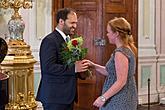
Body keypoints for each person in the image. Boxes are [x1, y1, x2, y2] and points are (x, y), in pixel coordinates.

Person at [36, 8, 89, 110]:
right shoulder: (50, 40)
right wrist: (74, 68)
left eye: (76, 23)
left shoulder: (69, 40)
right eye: (72, 23)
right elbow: (48, 67)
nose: (75, 26)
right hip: (55, 97)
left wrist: (82, 69)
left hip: (66, 96)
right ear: (61, 21)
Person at [86, 17, 138, 110]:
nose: (107, 35)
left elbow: (121, 81)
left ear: (116, 33)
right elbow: (111, 72)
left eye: (109, 32)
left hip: (120, 97)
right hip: (125, 94)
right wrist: (93, 65)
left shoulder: (120, 52)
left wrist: (103, 98)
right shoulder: (127, 48)